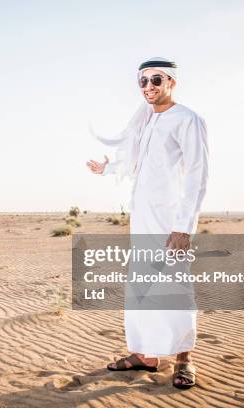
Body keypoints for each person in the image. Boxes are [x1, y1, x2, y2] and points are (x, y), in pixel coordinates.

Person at [86, 57, 209, 389]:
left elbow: (197, 175)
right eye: (142, 81)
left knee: (174, 286)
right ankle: (145, 355)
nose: (149, 87)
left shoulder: (187, 120)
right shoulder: (146, 122)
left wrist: (184, 226)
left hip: (171, 222)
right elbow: (135, 163)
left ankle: (184, 360)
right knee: (141, 288)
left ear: (171, 82)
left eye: (156, 80)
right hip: (142, 220)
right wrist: (107, 169)